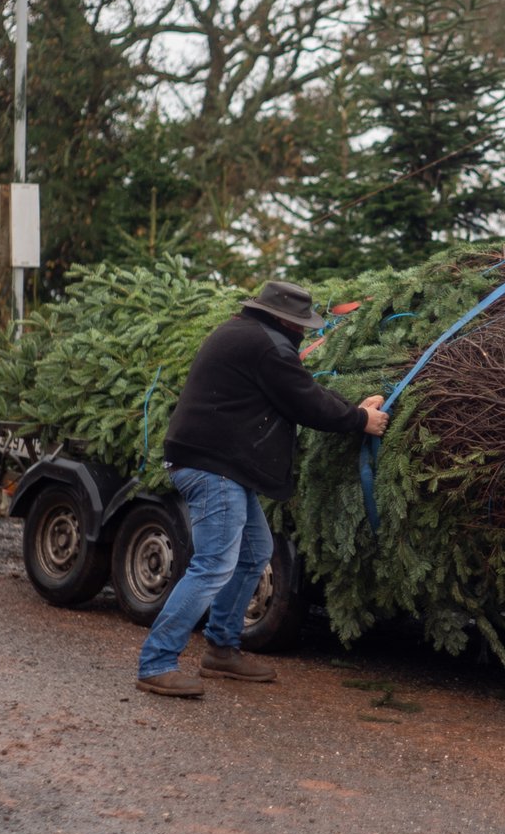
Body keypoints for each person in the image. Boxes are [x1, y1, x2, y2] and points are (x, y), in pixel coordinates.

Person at [136, 280, 388, 698]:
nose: (305, 331)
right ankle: (156, 662)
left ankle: (221, 649)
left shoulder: (243, 333)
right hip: (213, 468)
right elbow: (305, 400)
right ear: (281, 319)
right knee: (215, 564)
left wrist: (351, 410)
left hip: (220, 465)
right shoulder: (267, 345)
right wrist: (360, 420)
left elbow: (295, 390)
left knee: (253, 553)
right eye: (300, 324)